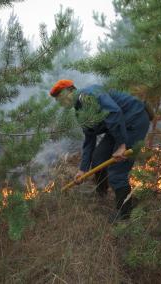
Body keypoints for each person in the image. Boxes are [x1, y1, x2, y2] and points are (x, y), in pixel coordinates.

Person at [50, 79, 150, 220]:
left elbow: (115, 112)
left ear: (71, 90)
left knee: (117, 169)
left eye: (60, 97)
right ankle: (101, 193)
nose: (59, 102)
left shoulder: (89, 94)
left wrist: (122, 145)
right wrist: (83, 169)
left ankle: (125, 214)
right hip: (116, 127)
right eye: (57, 100)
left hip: (134, 120)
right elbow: (89, 139)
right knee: (98, 159)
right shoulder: (79, 112)